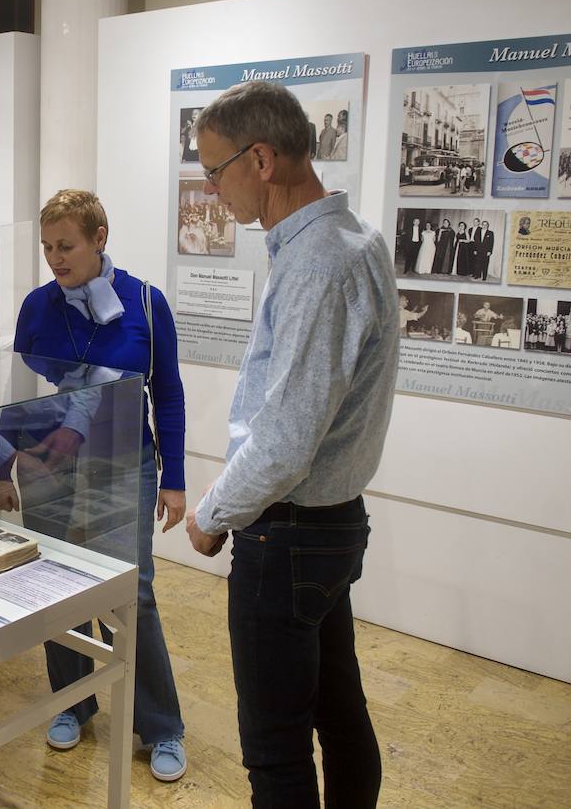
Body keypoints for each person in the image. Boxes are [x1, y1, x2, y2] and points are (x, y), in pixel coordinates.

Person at [183, 81, 397, 807]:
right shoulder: (350, 241)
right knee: (339, 712)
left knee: (275, 748)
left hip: (292, 533)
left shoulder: (318, 264)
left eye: (215, 171)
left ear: (262, 159)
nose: (212, 190)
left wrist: (214, 513)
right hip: (328, 524)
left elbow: (285, 441)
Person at [0, 188, 188, 783]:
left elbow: (168, 394)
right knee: (54, 585)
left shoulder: (145, 304)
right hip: (49, 462)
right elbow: (18, 390)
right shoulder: (37, 306)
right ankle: (71, 702)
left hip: (124, 461)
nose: (55, 258)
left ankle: (160, 726)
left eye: (66, 246)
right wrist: (1, 464)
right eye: (47, 246)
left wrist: (174, 480)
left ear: (99, 238)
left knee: (134, 593)